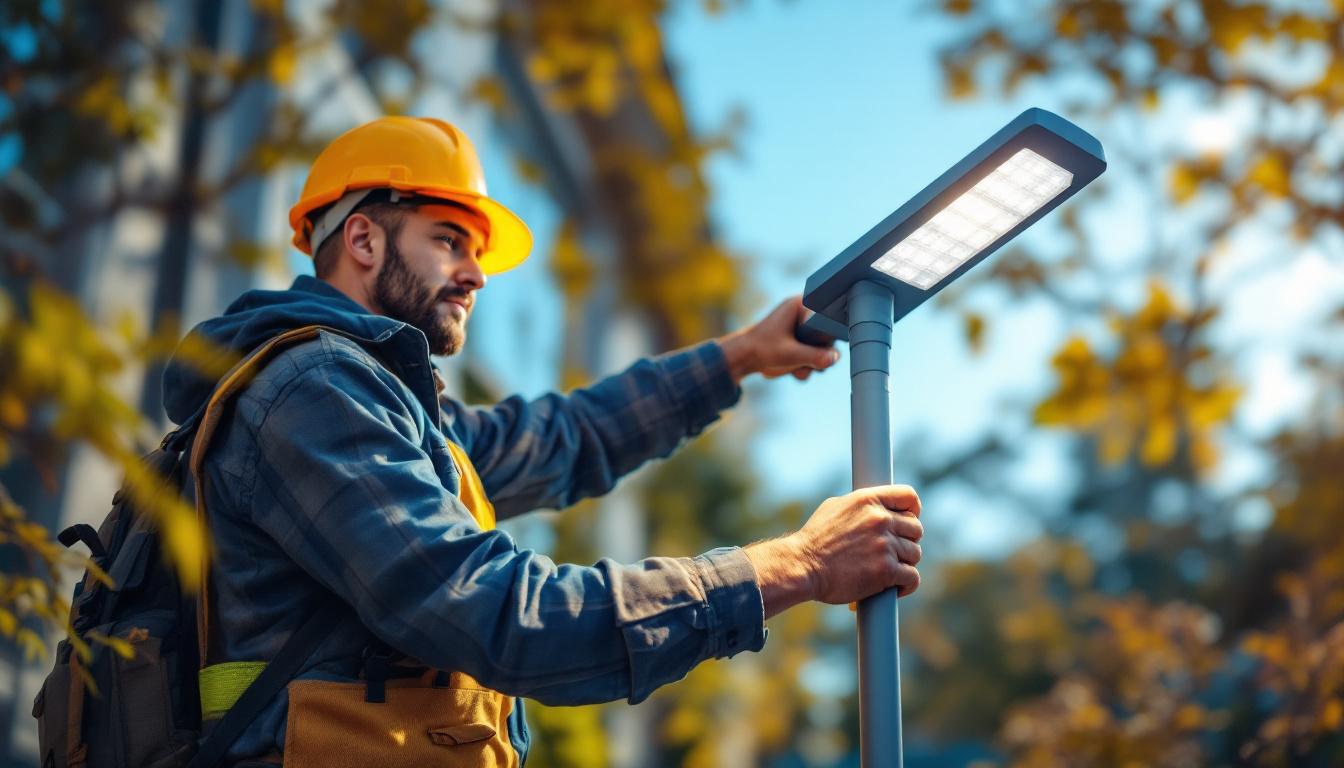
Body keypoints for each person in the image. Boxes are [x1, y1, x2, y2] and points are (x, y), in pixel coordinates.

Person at [162, 116, 924, 766]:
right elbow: (503, 616)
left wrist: (739, 357)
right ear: (362, 238)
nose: (476, 275)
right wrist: (800, 564)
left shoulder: (381, 406)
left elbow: (567, 438)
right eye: (450, 240)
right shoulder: (314, 394)